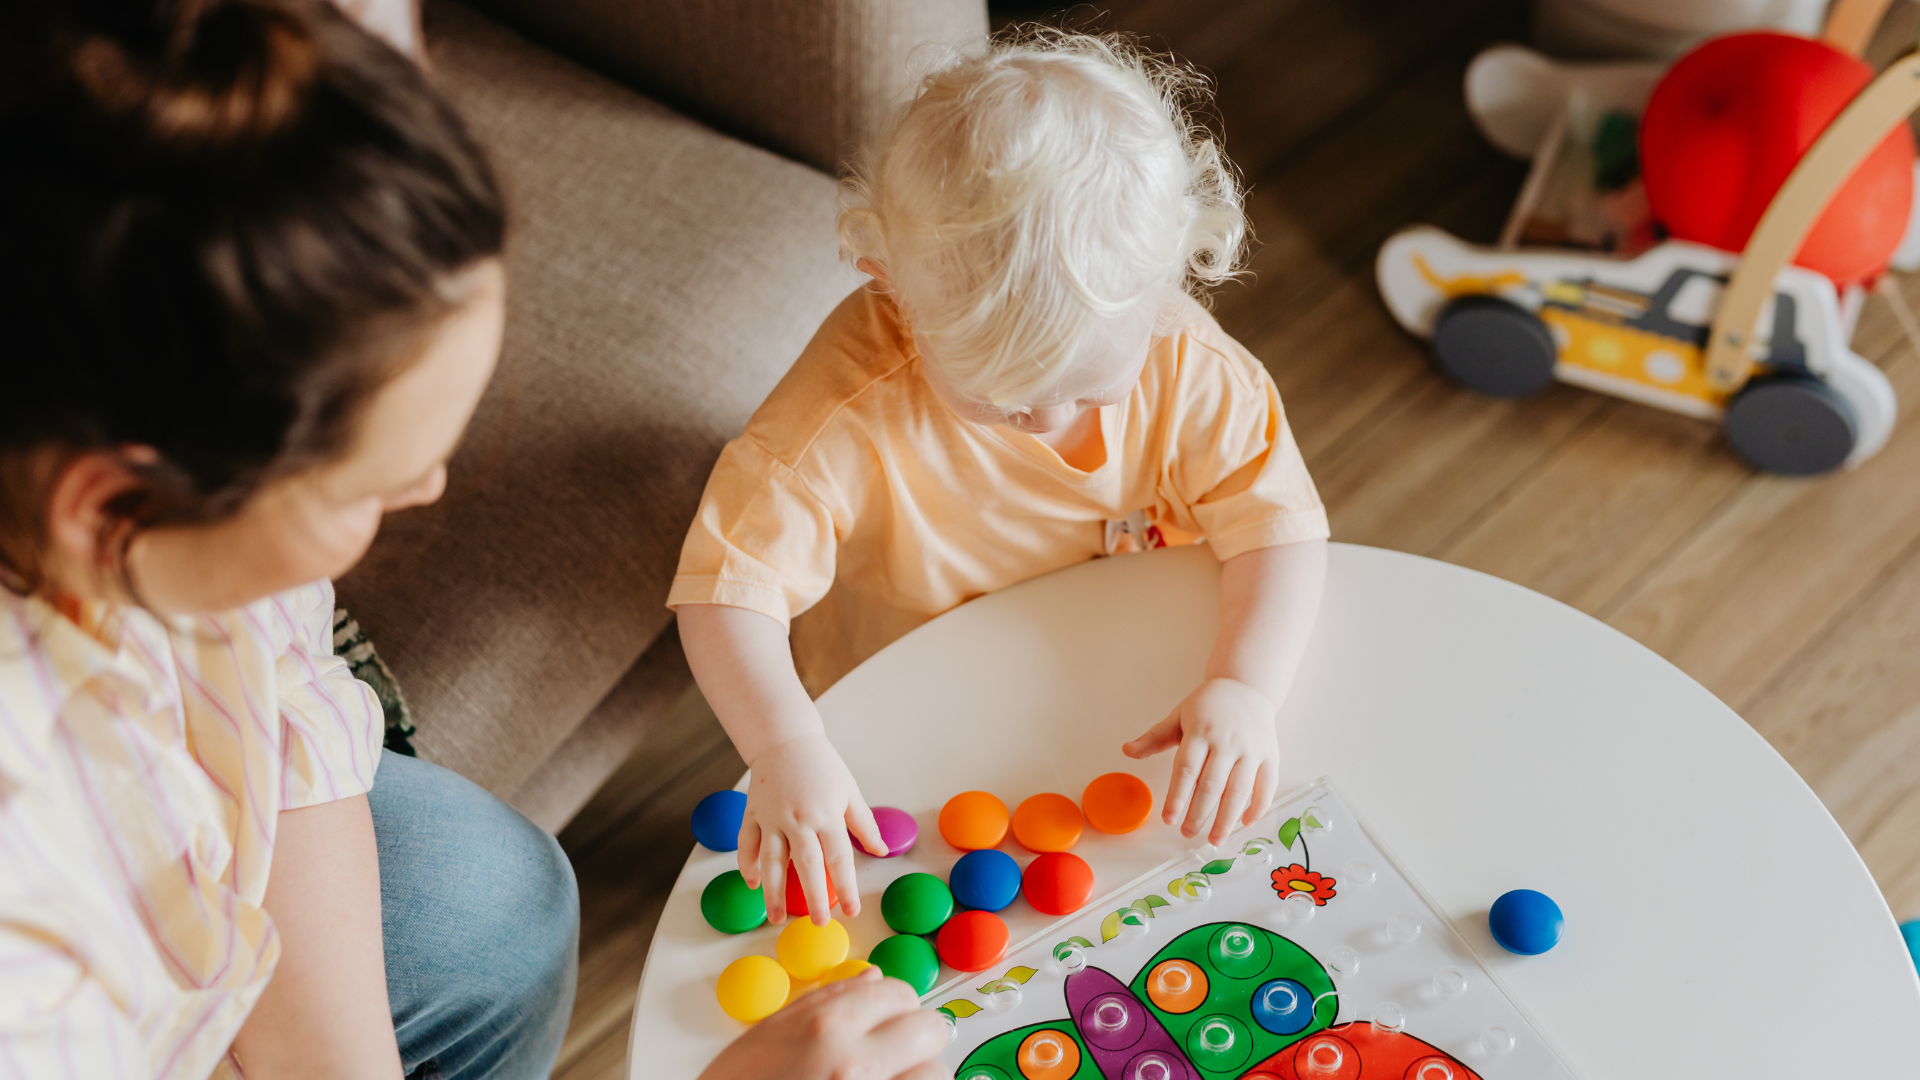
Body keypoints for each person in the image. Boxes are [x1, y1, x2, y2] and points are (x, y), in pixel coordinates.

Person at [0, 1, 950, 1078]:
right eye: (367, 477)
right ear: (112, 508)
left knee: (494, 901)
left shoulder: (136, 421)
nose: (428, 485)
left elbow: (275, 702)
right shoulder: (30, 911)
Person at [670, 30, 1331, 929]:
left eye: (1092, 389)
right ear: (891, 288)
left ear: (1166, 285)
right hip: (910, 673)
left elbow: (1279, 529)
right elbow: (724, 593)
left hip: (1124, 662)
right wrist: (786, 747)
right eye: (1002, 403)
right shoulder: (844, 412)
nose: (1052, 421)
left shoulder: (1189, 365)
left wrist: (1246, 683)